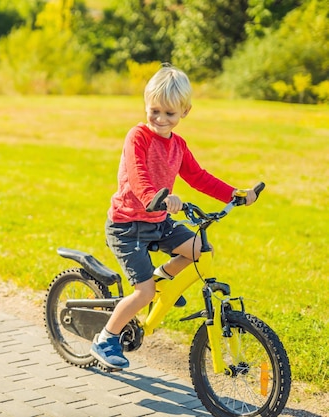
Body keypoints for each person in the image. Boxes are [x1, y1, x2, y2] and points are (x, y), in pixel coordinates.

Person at [89, 64, 258, 370]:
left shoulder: (178, 145)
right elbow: (139, 177)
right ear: (145, 104)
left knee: (200, 250)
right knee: (143, 292)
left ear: (185, 112)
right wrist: (162, 198)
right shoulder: (137, 136)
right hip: (127, 225)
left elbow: (199, 177)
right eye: (154, 110)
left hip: (158, 222)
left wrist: (234, 194)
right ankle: (106, 338)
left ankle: (162, 279)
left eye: (169, 113)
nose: (161, 119)